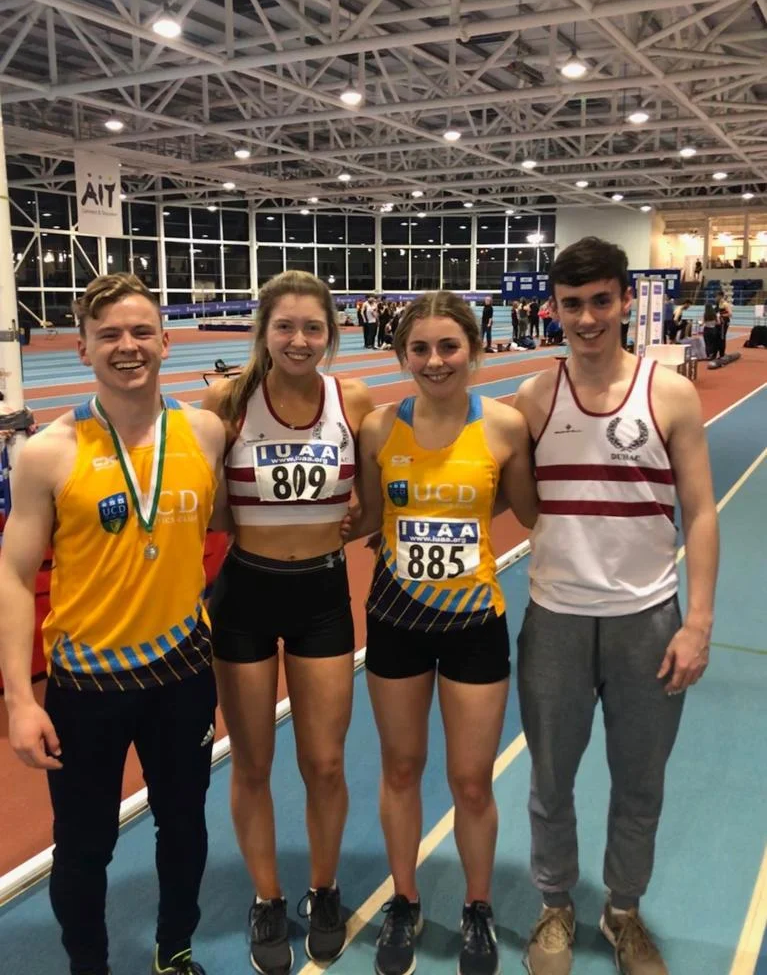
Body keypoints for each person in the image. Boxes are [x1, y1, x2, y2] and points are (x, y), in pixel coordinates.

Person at [0, 273, 227, 975]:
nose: (127, 346)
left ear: (165, 340)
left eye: (140, 331)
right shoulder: (48, 452)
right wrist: (20, 700)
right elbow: (13, 576)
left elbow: (231, 523)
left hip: (182, 673)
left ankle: (174, 949)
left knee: (184, 826)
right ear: (82, 348)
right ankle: (88, 966)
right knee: (84, 847)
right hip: (86, 687)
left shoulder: (204, 432)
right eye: (108, 335)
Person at [513, 238, 719, 975]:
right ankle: (555, 906)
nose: (587, 318)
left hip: (648, 621)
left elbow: (700, 512)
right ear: (553, 309)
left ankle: (622, 911)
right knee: (550, 780)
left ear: (626, 300)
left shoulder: (670, 394)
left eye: (601, 301)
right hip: (555, 621)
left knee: (639, 782)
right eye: (572, 304)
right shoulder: (534, 399)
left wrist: (697, 623)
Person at [348, 291, 538, 975]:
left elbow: (530, 510)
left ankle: (476, 907)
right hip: (396, 619)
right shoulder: (378, 429)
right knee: (400, 769)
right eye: (420, 348)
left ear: (473, 350)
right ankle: (403, 900)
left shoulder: (505, 426)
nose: (434, 360)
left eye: (448, 346)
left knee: (471, 781)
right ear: (402, 354)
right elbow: (367, 518)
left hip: (473, 622)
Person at [200, 270, 374, 975]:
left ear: (330, 334)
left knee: (325, 762)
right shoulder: (226, 400)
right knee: (252, 762)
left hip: (322, 594)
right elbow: (211, 505)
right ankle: (267, 898)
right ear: (263, 332)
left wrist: (358, 517)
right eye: (285, 327)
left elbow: (378, 492)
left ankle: (323, 889)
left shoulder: (352, 399)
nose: (299, 340)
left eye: (312, 328)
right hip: (245, 593)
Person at [715, 292, 733, 357]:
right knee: (717, 337)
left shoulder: (725, 304)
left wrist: (721, 315)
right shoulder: (718, 304)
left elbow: (730, 314)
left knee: (722, 337)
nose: (716, 298)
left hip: (724, 322)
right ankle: (717, 352)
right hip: (718, 322)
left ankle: (722, 353)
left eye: (717, 296)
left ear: (721, 296)